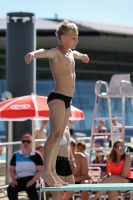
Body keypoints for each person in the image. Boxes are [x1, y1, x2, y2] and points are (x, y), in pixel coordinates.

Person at [25, 20, 89, 187]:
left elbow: (76, 54)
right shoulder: (56, 53)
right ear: (63, 38)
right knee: (54, 135)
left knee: (60, 135)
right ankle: (47, 172)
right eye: (74, 38)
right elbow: (44, 52)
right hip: (58, 97)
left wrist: (82, 56)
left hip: (68, 99)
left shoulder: (69, 53)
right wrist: (32, 53)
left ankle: (52, 172)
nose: (77, 40)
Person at [7, 133, 43, 200]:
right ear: (21, 143)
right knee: (11, 189)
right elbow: (11, 169)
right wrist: (13, 179)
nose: (25, 143)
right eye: (23, 141)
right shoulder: (15, 155)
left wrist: (32, 181)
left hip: (33, 178)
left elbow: (40, 171)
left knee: (31, 189)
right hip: (20, 179)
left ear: (31, 143)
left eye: (28, 141)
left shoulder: (37, 155)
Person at [52, 126, 76, 200]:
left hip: (67, 161)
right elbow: (50, 146)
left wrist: (72, 160)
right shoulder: (55, 127)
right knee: (59, 191)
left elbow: (68, 146)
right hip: (57, 160)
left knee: (72, 189)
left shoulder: (66, 128)